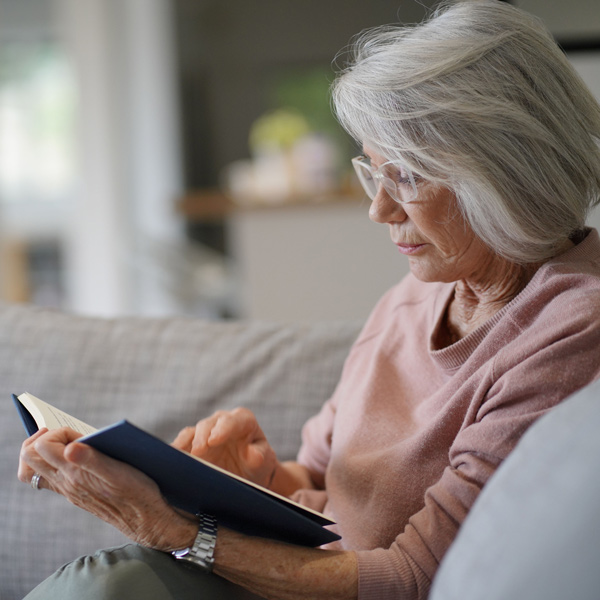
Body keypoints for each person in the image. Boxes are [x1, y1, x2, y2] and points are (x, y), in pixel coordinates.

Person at [18, 1, 600, 599]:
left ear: (507, 172)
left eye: (406, 176)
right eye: (374, 174)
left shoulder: (571, 331)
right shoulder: (416, 296)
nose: (379, 209)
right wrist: (257, 478)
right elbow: (317, 474)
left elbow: (411, 580)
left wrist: (166, 525)